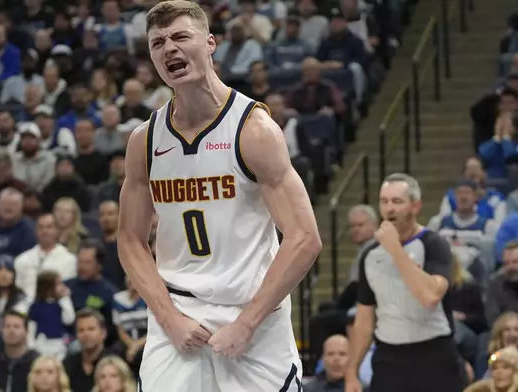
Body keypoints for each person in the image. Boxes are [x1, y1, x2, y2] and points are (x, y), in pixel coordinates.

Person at [117, 1, 321, 391]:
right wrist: (168, 318)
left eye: (180, 37)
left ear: (210, 43)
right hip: (177, 311)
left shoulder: (253, 129)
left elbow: (304, 238)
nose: (169, 49)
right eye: (157, 43)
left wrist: (248, 323)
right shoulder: (144, 140)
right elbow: (129, 239)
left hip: (251, 311)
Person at [345, 173, 465, 392]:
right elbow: (364, 320)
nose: (389, 208)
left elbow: (429, 297)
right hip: (389, 359)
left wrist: (395, 249)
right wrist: (352, 372)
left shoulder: (434, 244)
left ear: (415, 206)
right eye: (384, 201)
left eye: (397, 201)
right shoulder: (370, 255)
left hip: (434, 355)